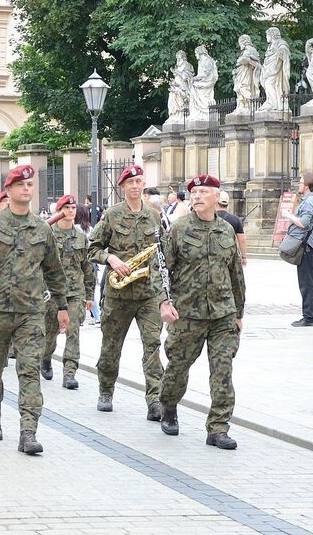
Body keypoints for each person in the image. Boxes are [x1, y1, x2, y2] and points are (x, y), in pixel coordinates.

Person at [0, 165, 69, 455]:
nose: (26, 189)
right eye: (20, 184)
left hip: (31, 311)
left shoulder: (42, 228)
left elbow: (54, 271)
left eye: (30, 184)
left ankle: (28, 432)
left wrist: (62, 306)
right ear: (8, 190)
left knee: (29, 370)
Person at [158, 174, 245, 450]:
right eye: (194, 192)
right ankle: (168, 405)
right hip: (187, 314)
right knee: (177, 368)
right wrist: (164, 302)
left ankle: (218, 428)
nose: (196, 196)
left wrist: (239, 313)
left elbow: (236, 274)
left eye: (203, 192)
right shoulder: (179, 229)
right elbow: (160, 269)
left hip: (222, 314)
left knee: (222, 370)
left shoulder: (226, 230)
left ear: (217, 197)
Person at [87, 164, 164, 420]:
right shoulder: (112, 215)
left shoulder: (153, 216)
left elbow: (161, 251)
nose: (135, 186)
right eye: (130, 182)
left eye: (139, 181)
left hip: (147, 293)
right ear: (122, 186)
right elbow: (92, 248)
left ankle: (155, 400)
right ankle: (106, 391)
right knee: (111, 346)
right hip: (118, 294)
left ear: (143, 184)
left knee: (152, 346)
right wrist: (110, 258)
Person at [41, 194, 94, 389]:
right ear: (59, 211)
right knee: (49, 333)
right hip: (51, 292)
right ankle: (46, 358)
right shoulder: (47, 233)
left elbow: (87, 267)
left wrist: (89, 294)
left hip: (74, 293)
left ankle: (69, 373)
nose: (71, 211)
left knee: (73, 331)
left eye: (73, 208)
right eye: (67, 208)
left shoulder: (80, 236)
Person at [281, 172, 313, 327]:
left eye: (300, 182)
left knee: (307, 284)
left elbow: (304, 223)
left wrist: (288, 215)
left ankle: (309, 317)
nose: (298, 184)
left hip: (308, 248)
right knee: (306, 283)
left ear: (307, 185)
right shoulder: (311, 200)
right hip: (309, 247)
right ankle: (308, 316)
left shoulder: (311, 201)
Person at [216, 191, 247, 266]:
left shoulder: (210, 218)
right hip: (230, 255)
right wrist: (244, 256)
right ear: (227, 204)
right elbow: (242, 240)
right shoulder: (235, 219)